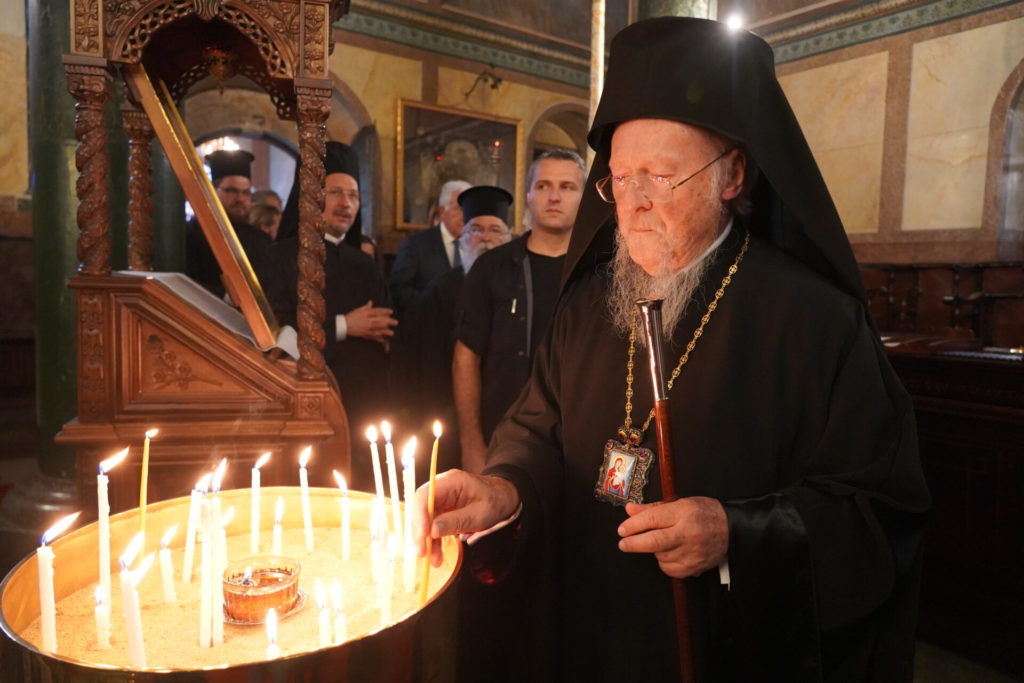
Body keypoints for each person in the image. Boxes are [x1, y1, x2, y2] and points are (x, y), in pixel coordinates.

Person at [415, 17, 930, 682]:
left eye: (661, 175)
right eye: (621, 179)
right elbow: (537, 430)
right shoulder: (585, 306)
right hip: (587, 639)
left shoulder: (816, 323)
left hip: (727, 650)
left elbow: (879, 510)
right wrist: (502, 490)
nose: (634, 204)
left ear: (732, 175)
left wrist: (736, 535)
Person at [265, 142, 397, 489]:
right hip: (308, 400)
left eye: (353, 195)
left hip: (366, 403)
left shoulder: (366, 264)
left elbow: (386, 326)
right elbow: (275, 333)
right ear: (310, 197)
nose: (346, 204)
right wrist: (344, 326)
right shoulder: (279, 258)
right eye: (335, 193)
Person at [452, 149, 585, 472]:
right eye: (543, 186)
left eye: (567, 187)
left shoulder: (598, 270)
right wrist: (471, 443)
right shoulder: (491, 267)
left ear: (583, 197)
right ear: (528, 195)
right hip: (504, 435)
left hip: (581, 439)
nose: (554, 196)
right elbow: (465, 358)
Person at [395, 185, 514, 474]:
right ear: (462, 239)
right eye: (476, 230)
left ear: (509, 239)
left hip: (507, 411)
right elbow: (421, 361)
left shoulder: (519, 287)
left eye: (494, 230)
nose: (485, 238)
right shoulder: (440, 290)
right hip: (445, 414)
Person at [185, 149, 271, 298]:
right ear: (213, 191)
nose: (240, 199)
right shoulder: (192, 234)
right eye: (232, 191)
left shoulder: (261, 240)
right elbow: (187, 283)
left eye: (246, 192)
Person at [389, 180, 471, 319]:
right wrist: (433, 308)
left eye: (469, 208)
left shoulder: (476, 244)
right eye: (458, 208)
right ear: (442, 211)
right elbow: (400, 291)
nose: (465, 215)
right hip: (428, 328)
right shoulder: (416, 244)